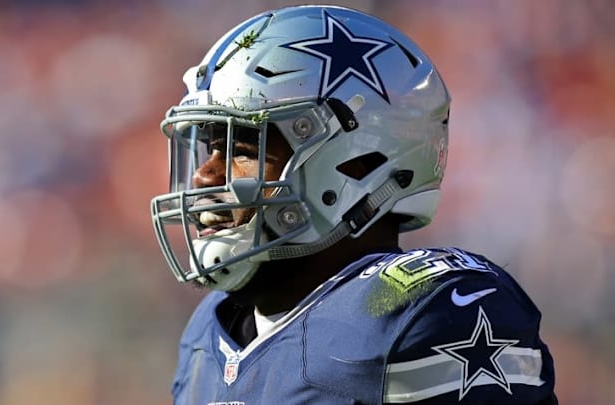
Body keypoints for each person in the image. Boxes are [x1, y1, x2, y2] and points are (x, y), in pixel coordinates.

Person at [150, 5, 557, 404]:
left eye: (241, 149)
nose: (204, 175)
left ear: (356, 164)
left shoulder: (419, 314)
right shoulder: (209, 334)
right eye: (210, 147)